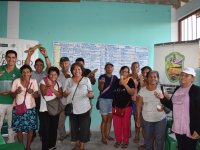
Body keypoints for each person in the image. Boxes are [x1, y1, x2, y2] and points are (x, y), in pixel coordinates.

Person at [159, 67, 200, 150]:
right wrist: (162, 98)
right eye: (182, 75)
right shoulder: (177, 89)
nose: (183, 77)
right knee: (181, 147)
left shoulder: (197, 90)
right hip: (178, 126)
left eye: (186, 75)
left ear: (193, 78)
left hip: (191, 128)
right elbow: (172, 105)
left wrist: (198, 129)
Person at [63, 62, 94, 150]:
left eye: (79, 69)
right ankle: (77, 144)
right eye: (74, 69)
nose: (77, 71)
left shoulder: (86, 80)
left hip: (84, 107)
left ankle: (82, 146)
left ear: (82, 70)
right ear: (72, 70)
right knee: (74, 127)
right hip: (73, 108)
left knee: (84, 128)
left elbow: (90, 92)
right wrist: (65, 93)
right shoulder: (68, 81)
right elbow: (64, 94)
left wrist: (90, 95)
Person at [25, 44, 51, 139]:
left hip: (42, 98)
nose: (39, 66)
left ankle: (41, 132)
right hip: (32, 98)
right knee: (33, 117)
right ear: (34, 66)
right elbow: (26, 65)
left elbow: (49, 65)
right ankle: (33, 133)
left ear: (43, 66)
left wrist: (45, 55)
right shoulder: (31, 73)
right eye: (37, 65)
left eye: (41, 65)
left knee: (42, 117)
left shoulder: (45, 73)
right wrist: (29, 55)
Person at [136, 71, 166, 150]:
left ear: (157, 78)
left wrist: (163, 106)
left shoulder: (161, 89)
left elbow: (168, 102)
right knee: (148, 139)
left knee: (159, 140)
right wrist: (138, 118)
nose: (153, 78)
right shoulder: (142, 90)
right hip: (147, 119)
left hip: (160, 119)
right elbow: (139, 105)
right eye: (150, 77)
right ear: (147, 78)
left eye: (155, 77)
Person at [11, 64, 39, 150]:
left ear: (31, 73)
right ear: (21, 73)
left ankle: (28, 146)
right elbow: (12, 95)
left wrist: (32, 92)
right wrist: (16, 91)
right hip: (18, 109)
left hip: (30, 109)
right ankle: (21, 146)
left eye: (27, 72)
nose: (26, 74)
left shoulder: (33, 81)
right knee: (19, 129)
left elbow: (37, 95)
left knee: (30, 129)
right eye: (23, 72)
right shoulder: (16, 81)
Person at [0, 50, 21, 143]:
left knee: (11, 124)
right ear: (5, 58)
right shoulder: (0, 69)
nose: (11, 59)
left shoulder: (19, 72)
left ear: (16, 59)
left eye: (13, 57)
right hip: (0, 101)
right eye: (9, 57)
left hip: (13, 103)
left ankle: (11, 142)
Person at [39, 67, 62, 150]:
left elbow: (60, 95)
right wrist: (48, 86)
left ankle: (52, 146)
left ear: (57, 75)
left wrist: (52, 88)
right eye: (51, 74)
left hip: (55, 109)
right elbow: (44, 93)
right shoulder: (43, 82)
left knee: (53, 129)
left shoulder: (59, 83)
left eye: (55, 74)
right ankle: (45, 148)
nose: (53, 76)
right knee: (46, 130)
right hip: (44, 109)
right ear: (48, 74)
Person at [112, 66, 135, 148]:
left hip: (126, 107)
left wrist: (124, 84)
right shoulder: (116, 81)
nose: (124, 73)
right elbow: (113, 93)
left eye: (126, 72)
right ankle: (118, 140)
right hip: (116, 107)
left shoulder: (130, 81)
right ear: (120, 72)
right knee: (116, 125)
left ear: (128, 73)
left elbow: (132, 92)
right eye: (122, 71)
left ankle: (125, 141)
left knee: (126, 125)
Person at [98, 62, 118, 145]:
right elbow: (100, 89)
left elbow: (118, 88)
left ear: (113, 69)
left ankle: (107, 135)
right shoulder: (102, 77)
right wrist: (102, 83)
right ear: (105, 69)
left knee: (110, 119)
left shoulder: (115, 77)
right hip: (103, 100)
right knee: (104, 120)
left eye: (111, 67)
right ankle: (103, 137)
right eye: (108, 67)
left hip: (112, 101)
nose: (109, 69)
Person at [57, 57, 71, 142]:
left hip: (71, 101)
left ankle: (74, 135)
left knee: (73, 120)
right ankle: (62, 135)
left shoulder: (74, 73)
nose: (64, 65)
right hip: (61, 101)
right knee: (60, 120)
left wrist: (70, 78)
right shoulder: (57, 74)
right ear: (60, 64)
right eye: (62, 63)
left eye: (66, 63)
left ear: (69, 64)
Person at [129, 62, 140, 143]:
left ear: (139, 68)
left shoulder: (141, 77)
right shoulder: (128, 76)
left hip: (137, 101)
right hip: (128, 100)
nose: (135, 68)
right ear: (131, 68)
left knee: (136, 118)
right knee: (127, 118)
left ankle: (137, 135)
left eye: (136, 66)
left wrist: (139, 80)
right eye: (133, 66)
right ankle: (128, 132)